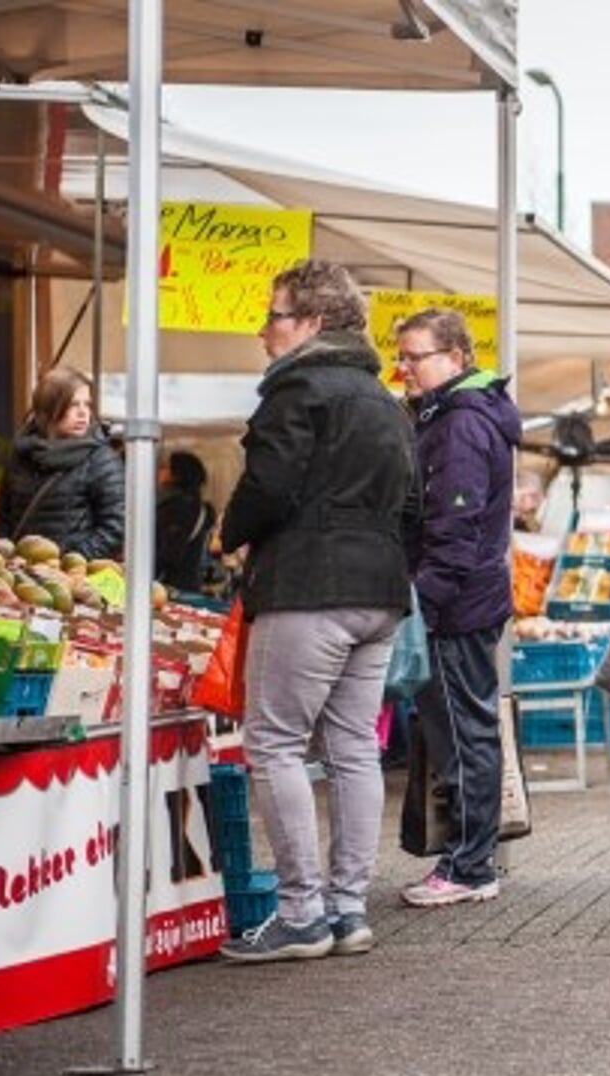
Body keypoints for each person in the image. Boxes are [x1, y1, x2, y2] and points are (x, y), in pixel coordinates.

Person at [218, 259, 418, 960]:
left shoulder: (296, 390)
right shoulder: (385, 400)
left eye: (274, 315)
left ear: (313, 323)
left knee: (273, 743)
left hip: (308, 585)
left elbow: (268, 483)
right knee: (353, 748)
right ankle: (347, 909)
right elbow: (414, 504)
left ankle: (300, 913)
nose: (262, 330)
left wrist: (228, 533)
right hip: (380, 591)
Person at [396, 307, 521, 908]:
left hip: (456, 602)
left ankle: (471, 865)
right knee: (463, 728)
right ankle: (469, 857)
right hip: (466, 595)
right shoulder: (453, 416)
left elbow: (455, 520)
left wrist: (427, 602)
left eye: (415, 356)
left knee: (464, 730)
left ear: (455, 357)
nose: (405, 368)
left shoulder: (461, 423)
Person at [0, 366, 124, 561]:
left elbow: (115, 528)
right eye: (73, 404)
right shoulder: (20, 455)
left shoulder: (101, 459)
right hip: (26, 577)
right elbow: (4, 517)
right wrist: (12, 558)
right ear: (48, 408)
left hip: (80, 577)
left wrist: (68, 562)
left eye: (87, 404)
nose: (83, 413)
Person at [154, 451, 215, 591]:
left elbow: (169, 551)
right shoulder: (197, 505)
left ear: (177, 474)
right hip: (189, 581)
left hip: (171, 585)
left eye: (166, 467)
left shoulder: (177, 508)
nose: (160, 471)